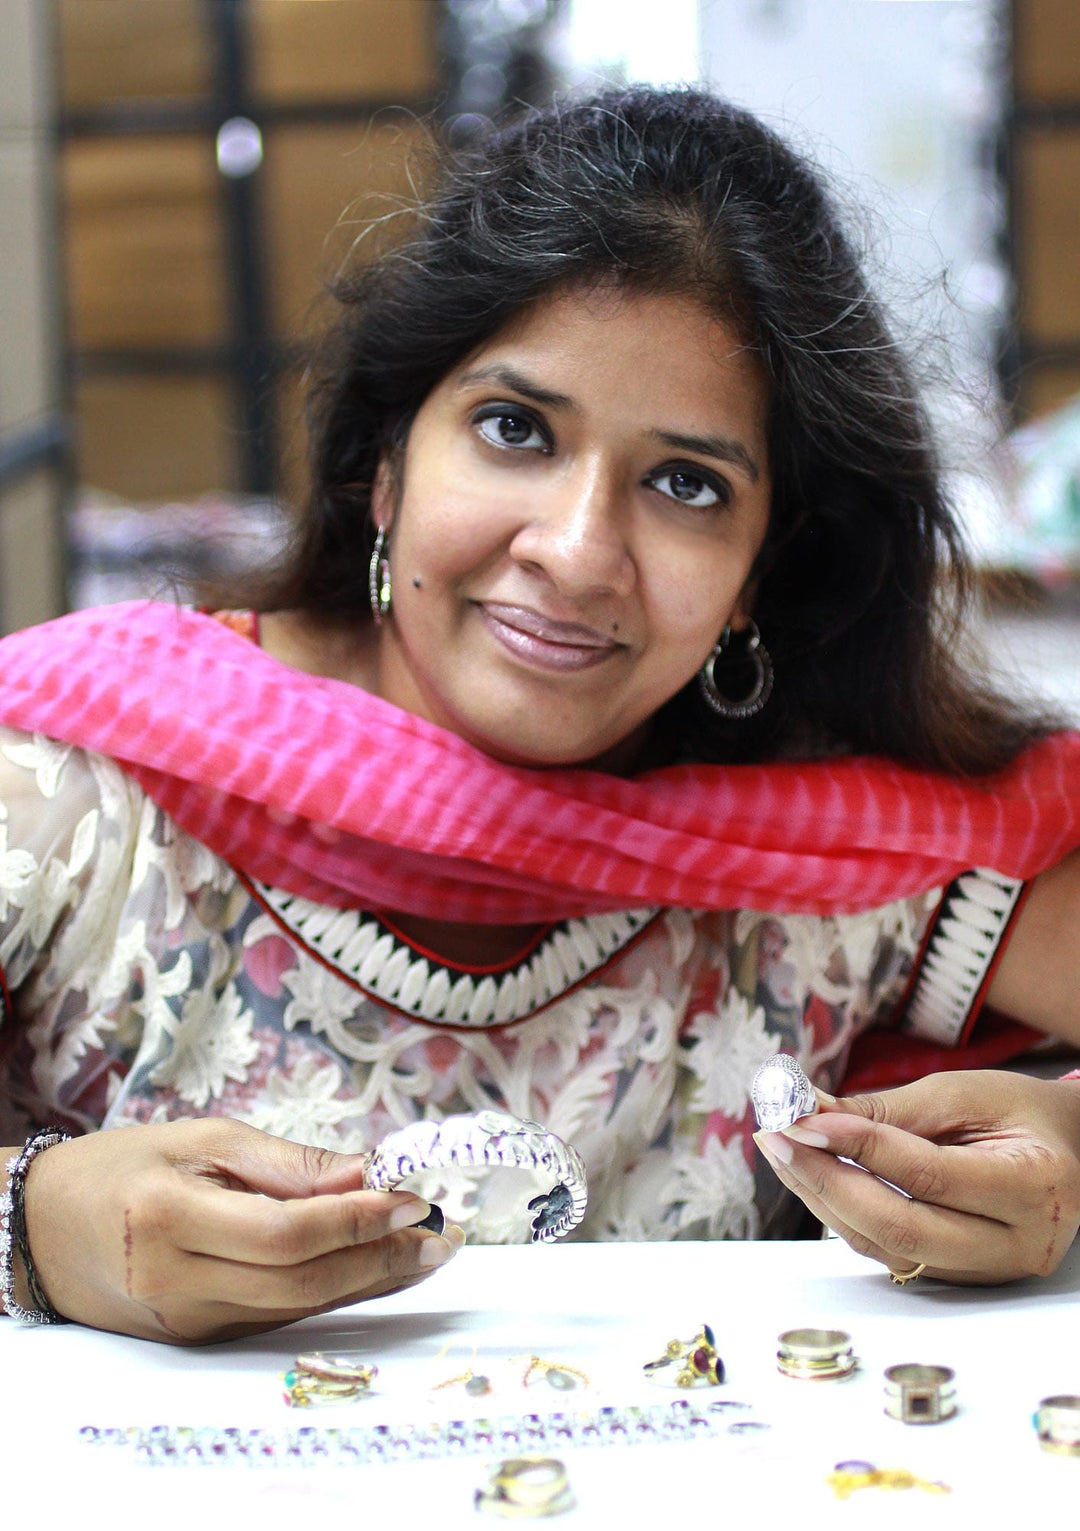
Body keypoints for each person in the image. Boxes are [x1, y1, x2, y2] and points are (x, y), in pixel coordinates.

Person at [1, 86, 1079, 1345]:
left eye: (686, 483)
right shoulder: (74, 792)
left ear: (759, 571)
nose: (576, 554)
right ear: (386, 466)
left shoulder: (835, 864)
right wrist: (35, 1221)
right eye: (515, 430)